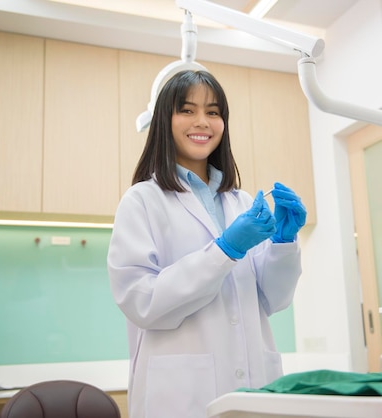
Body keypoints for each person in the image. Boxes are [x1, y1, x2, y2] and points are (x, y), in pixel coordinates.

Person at [107, 70, 306, 418]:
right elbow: (142, 302)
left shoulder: (241, 202)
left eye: (213, 112)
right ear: (164, 121)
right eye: (187, 110)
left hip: (253, 385)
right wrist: (224, 251)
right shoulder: (142, 201)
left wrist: (283, 245)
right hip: (183, 396)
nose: (202, 122)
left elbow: (272, 299)